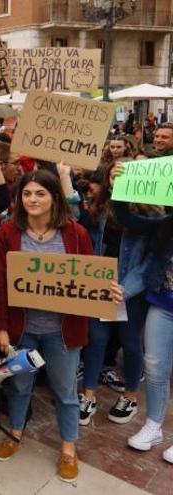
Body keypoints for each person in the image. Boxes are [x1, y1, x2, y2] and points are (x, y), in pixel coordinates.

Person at [0, 169, 122, 483]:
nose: (33, 199)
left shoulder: (75, 233)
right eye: (27, 194)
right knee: (20, 385)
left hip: (63, 331)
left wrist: (109, 290)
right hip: (22, 328)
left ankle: (68, 448)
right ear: (19, 198)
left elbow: (91, 276)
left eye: (40, 193)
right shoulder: (7, 233)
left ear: (54, 197)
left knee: (65, 392)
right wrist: (0, 327)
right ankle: (16, 432)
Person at [110, 165, 173, 464]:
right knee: (156, 368)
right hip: (164, 303)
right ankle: (153, 426)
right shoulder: (167, 222)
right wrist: (121, 188)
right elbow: (129, 220)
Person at [77, 165, 141, 426]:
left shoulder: (151, 214)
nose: (118, 180)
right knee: (96, 340)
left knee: (131, 344)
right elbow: (83, 230)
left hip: (131, 289)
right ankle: (88, 395)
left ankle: (130, 396)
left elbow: (150, 259)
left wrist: (128, 288)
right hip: (102, 283)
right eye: (114, 175)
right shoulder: (100, 209)